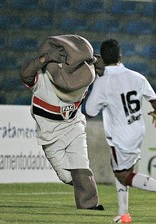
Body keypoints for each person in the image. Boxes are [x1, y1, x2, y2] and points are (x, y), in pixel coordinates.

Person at [85, 39, 156, 224]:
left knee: (122, 175)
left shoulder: (104, 83)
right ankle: (124, 213)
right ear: (121, 55)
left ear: (103, 58)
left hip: (120, 135)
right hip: (138, 130)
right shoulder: (136, 77)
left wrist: (96, 82)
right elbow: (155, 101)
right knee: (123, 170)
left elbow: (88, 112)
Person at [19, 34, 104, 210]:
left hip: (73, 126)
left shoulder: (84, 74)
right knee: (66, 176)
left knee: (81, 166)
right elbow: (25, 73)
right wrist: (43, 59)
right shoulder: (41, 78)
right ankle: (84, 187)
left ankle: (90, 206)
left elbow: (105, 66)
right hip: (49, 135)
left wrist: (88, 58)